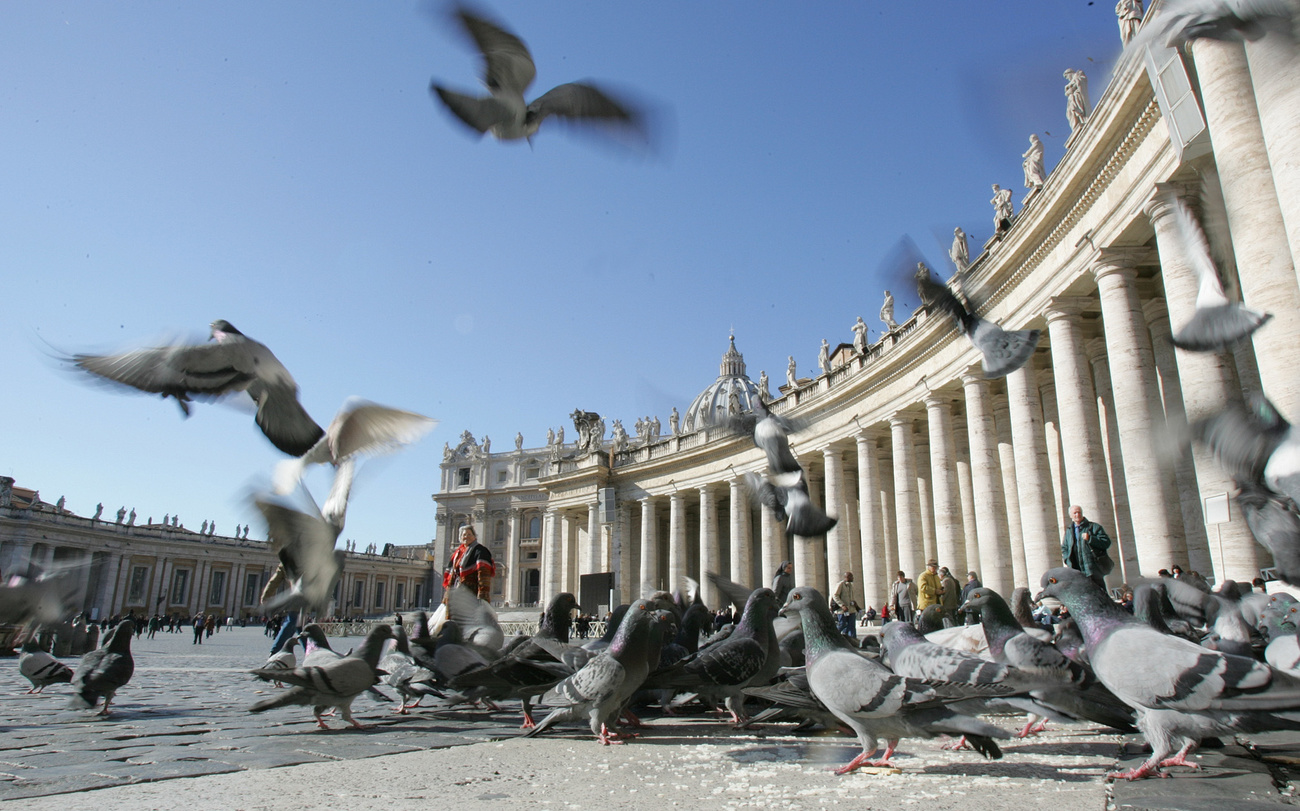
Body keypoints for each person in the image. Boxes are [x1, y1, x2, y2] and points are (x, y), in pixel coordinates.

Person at [1061, 504, 1113, 590]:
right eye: (1075, 513)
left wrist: (1090, 538)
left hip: (1093, 569)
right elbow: (1064, 547)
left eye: (1079, 512)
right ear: (1070, 516)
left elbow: (1106, 542)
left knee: (1100, 593)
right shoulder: (1069, 531)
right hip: (1077, 570)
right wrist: (1067, 559)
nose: (1077, 515)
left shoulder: (1093, 527)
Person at [443, 526, 496, 602]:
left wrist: (483, 594)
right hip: (457, 590)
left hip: (472, 593)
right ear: (460, 537)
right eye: (464, 535)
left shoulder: (481, 550)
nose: (466, 537)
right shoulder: (457, 553)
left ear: (474, 536)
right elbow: (452, 574)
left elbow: (484, 573)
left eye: (469, 534)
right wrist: (448, 592)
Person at [831, 572, 859, 638]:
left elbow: (850, 597)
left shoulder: (850, 585)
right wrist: (842, 605)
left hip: (851, 609)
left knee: (851, 625)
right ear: (847, 577)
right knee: (842, 624)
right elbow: (835, 595)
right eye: (851, 576)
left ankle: (853, 640)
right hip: (842, 610)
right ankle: (833, 637)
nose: (853, 578)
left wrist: (854, 603)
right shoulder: (840, 585)